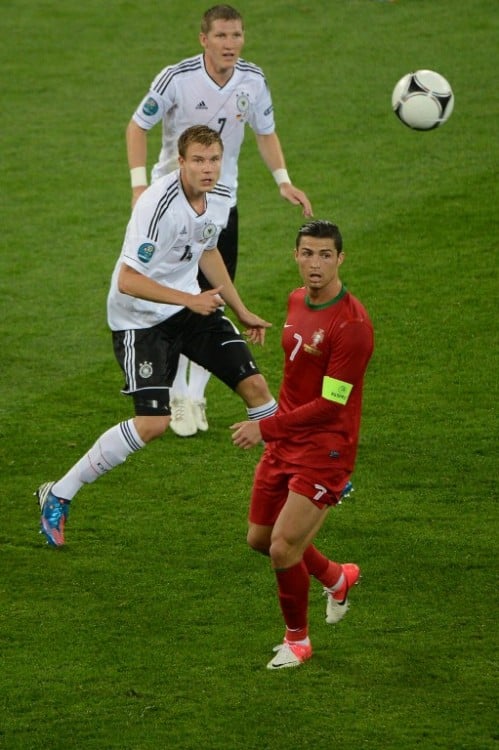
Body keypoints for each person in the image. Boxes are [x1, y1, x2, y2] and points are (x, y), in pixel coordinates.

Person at [36, 125, 277, 548]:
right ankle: (58, 494)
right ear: (181, 162)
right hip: (141, 320)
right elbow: (128, 280)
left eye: (214, 159)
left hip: (190, 306)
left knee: (257, 387)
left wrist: (241, 309)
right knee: (153, 424)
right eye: (198, 160)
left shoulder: (217, 196)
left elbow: (207, 249)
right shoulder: (157, 205)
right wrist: (190, 298)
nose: (208, 168)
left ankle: (309, 479)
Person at [126, 4, 313, 438]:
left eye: (237, 36)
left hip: (221, 203)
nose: (231, 44)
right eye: (223, 36)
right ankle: (170, 385)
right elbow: (138, 126)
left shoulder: (254, 80)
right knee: (171, 290)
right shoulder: (176, 78)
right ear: (204, 39)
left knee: (212, 293)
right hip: (170, 201)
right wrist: (139, 188)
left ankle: (193, 393)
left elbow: (265, 132)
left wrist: (283, 181)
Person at [231, 220, 374, 669]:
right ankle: (336, 577)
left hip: (326, 447)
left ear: (340, 259)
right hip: (288, 440)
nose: (316, 264)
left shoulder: (351, 326)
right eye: (308, 254)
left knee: (282, 548)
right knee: (259, 538)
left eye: (325, 255)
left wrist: (267, 427)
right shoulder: (296, 300)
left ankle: (298, 641)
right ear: (295, 256)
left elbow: (332, 406)